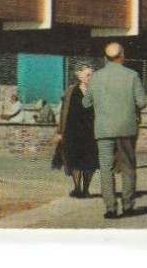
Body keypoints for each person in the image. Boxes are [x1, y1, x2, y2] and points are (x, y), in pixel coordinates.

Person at [84, 41, 146, 220]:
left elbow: (86, 102)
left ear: (105, 58)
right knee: (128, 167)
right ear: (122, 55)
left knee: (106, 169)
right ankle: (128, 206)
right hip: (127, 128)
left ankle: (110, 208)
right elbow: (142, 102)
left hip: (103, 129)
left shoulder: (96, 77)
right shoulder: (132, 75)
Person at [53, 62, 99, 198]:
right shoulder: (70, 92)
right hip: (73, 132)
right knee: (75, 161)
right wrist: (60, 131)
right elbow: (63, 112)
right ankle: (77, 188)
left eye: (92, 75)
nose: (91, 77)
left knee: (90, 162)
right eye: (88, 74)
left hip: (92, 132)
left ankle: (86, 190)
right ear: (79, 75)